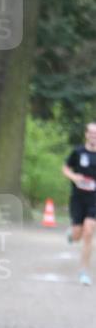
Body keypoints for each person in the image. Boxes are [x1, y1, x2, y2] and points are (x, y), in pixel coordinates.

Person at [62, 122, 96, 286]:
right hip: (78, 198)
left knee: (89, 232)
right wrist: (75, 178)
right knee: (77, 234)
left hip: (94, 200)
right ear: (86, 135)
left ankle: (84, 271)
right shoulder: (77, 152)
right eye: (91, 133)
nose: (93, 136)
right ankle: (71, 234)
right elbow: (65, 169)